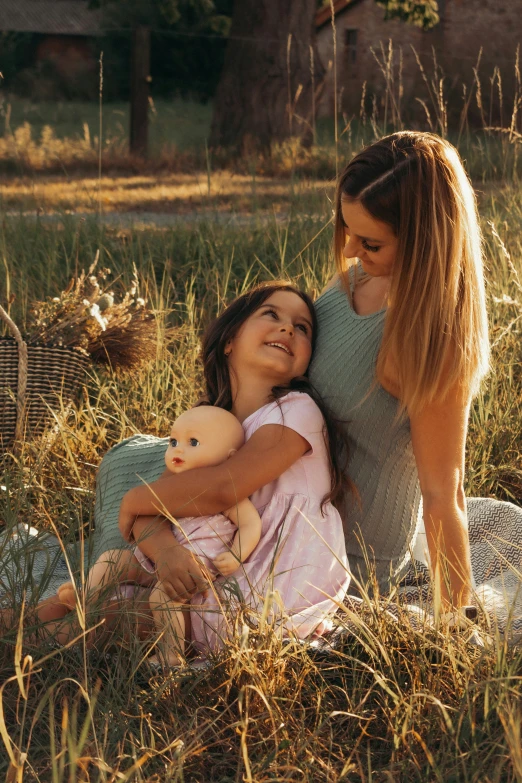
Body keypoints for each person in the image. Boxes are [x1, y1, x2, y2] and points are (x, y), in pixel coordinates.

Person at [115, 132, 490, 626]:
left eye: (371, 241)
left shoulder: (430, 340)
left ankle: (103, 597)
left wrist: (454, 623)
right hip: (268, 491)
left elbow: (445, 493)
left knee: (134, 504)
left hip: (324, 548)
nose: (352, 249)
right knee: (129, 457)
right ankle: (137, 567)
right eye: (346, 228)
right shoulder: (357, 280)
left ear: (424, 241)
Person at [32, 282, 351, 656]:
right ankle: (22, 632)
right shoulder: (208, 427)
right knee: (75, 600)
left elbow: (222, 488)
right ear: (229, 339)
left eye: (303, 328)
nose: (288, 329)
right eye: (272, 315)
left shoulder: (296, 411)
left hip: (269, 589)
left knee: (112, 615)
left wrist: (135, 498)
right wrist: (166, 552)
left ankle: (25, 648)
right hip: (198, 575)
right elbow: (156, 508)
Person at [56, 406, 263, 666]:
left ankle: (171, 652)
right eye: (173, 441)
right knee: (114, 560)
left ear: (229, 457)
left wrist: (236, 555)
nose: (178, 449)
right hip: (156, 560)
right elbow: (147, 515)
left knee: (162, 597)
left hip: (196, 569)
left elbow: (250, 524)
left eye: (193, 442)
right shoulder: (172, 487)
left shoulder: (224, 491)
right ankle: (86, 600)